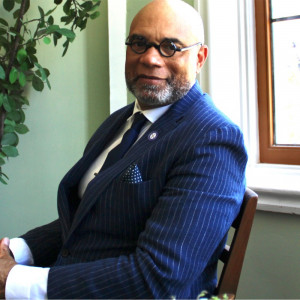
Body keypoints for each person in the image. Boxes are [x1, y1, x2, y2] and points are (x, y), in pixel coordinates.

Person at [0, 0, 248, 298]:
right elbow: (89, 216)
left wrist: (13, 282)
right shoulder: (121, 121)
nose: (151, 58)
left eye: (170, 46)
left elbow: (157, 276)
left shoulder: (213, 139)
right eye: (139, 43)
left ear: (200, 57)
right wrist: (15, 250)